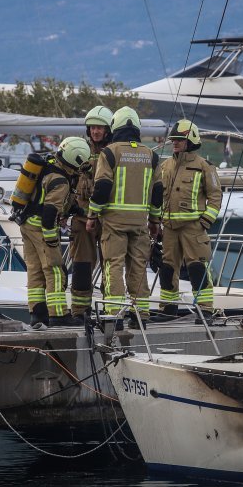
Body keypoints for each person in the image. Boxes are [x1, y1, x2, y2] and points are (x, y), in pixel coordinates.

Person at [86, 106, 162, 328]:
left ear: (114, 127)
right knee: (138, 266)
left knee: (113, 265)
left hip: (114, 222)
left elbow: (101, 187)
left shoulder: (109, 153)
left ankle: (114, 315)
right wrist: (155, 222)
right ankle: (141, 316)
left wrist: (92, 216)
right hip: (140, 223)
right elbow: (158, 193)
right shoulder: (152, 156)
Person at [151, 119, 221, 325]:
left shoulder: (204, 167)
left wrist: (205, 222)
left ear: (190, 140)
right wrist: (157, 222)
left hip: (193, 228)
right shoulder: (165, 166)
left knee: (197, 269)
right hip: (169, 229)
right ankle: (168, 309)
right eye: (173, 140)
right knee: (167, 269)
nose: (174, 143)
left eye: (179, 140)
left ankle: (205, 310)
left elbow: (215, 196)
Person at [20, 137, 91, 327]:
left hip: (27, 224)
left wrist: (77, 210)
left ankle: (37, 313)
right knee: (55, 271)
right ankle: (58, 315)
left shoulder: (49, 167)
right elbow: (50, 211)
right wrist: (51, 239)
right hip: (41, 228)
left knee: (35, 271)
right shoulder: (61, 180)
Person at [69, 106, 113, 320]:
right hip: (81, 218)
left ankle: (110, 308)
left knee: (111, 266)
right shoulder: (79, 150)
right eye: (92, 127)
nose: (95, 131)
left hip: (108, 219)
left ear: (108, 130)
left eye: (100, 128)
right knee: (82, 265)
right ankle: (79, 311)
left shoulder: (114, 153)